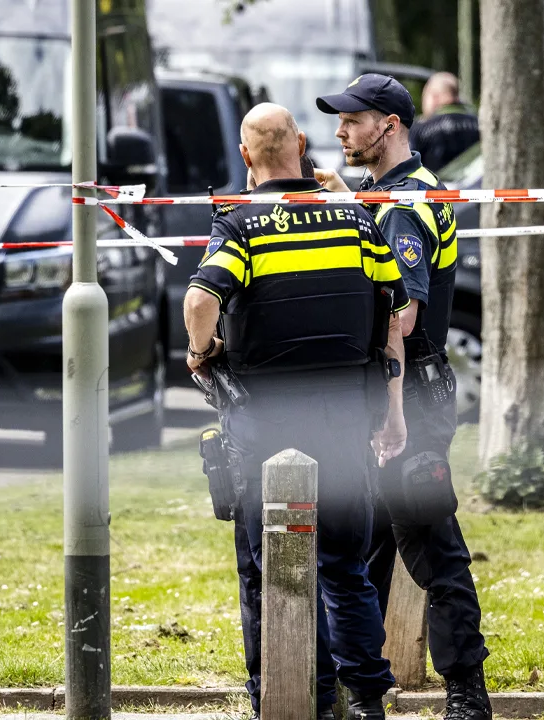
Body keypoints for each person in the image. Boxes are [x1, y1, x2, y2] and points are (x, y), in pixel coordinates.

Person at [187, 102, 409, 720]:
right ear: (303, 144)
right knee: (344, 565)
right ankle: (365, 698)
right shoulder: (355, 219)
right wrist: (393, 408)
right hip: (345, 415)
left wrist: (200, 352)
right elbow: (391, 313)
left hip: (266, 422)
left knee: (270, 566)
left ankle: (288, 698)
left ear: (246, 155)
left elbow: (202, 297)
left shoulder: (240, 224)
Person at [315, 74, 493, 720]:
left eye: (351, 120)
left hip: (410, 398)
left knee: (429, 542)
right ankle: (361, 693)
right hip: (382, 396)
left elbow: (404, 315)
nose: (340, 132)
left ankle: (467, 693)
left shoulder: (407, 206)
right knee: (364, 552)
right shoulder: (379, 197)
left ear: (388, 125)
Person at [407, 72, 479, 172]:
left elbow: (407, 167)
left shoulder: (420, 128)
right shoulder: (478, 123)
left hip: (434, 186)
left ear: (434, 97)